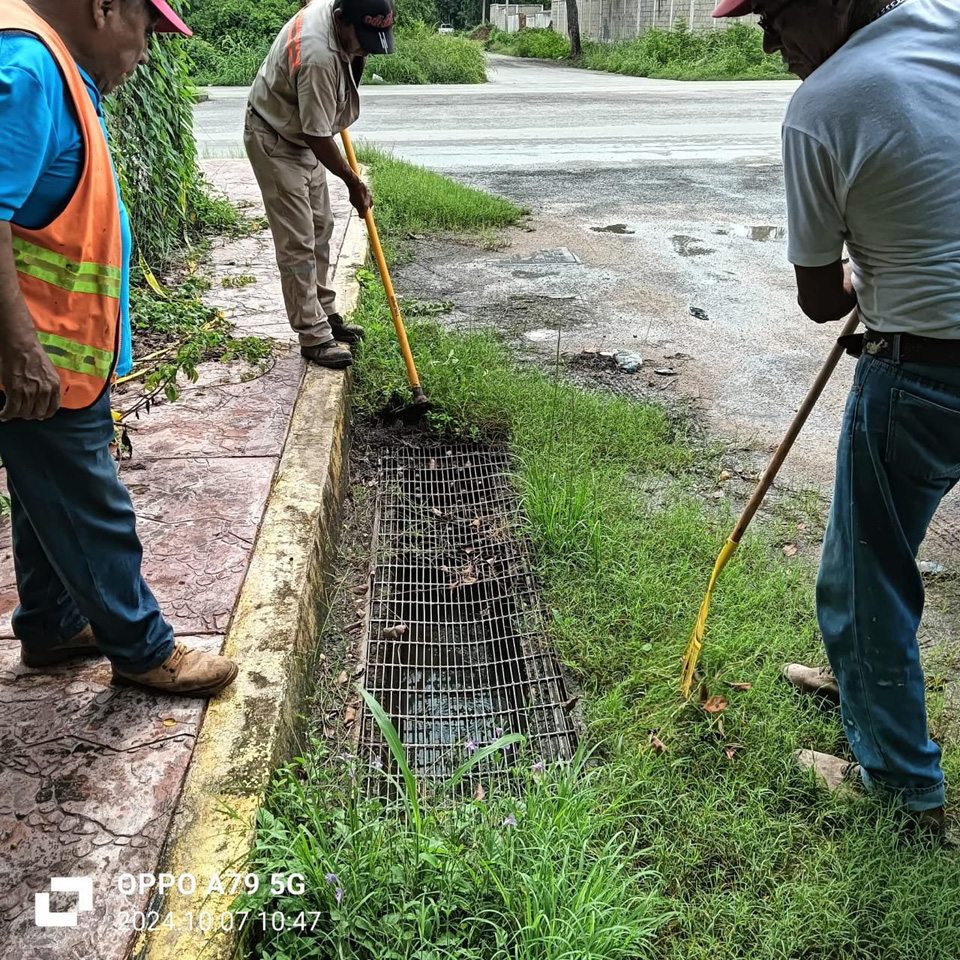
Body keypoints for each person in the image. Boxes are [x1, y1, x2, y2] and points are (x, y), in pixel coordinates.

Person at [713, 0, 960, 835]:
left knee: (866, 572)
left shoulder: (821, 104)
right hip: (934, 345)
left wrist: (870, 281)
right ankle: (860, 680)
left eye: (776, 12)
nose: (765, 34)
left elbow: (821, 298)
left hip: (928, 371)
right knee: (871, 552)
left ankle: (899, 784)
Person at [0, 0, 238, 697]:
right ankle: (141, 648)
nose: (147, 52)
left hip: (60, 347)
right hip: (38, 353)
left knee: (47, 487)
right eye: (148, 30)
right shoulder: (30, 66)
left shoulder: (53, 63)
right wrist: (18, 350)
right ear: (104, 7)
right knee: (88, 497)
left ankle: (51, 623)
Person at [244, 0, 394, 370]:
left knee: (321, 226)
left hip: (302, 131)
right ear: (341, 20)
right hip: (276, 138)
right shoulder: (317, 56)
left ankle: (325, 312)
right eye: (361, 40)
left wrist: (359, 52)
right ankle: (313, 336)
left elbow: (319, 126)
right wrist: (352, 181)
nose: (363, 49)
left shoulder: (338, 14)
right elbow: (317, 134)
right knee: (298, 241)